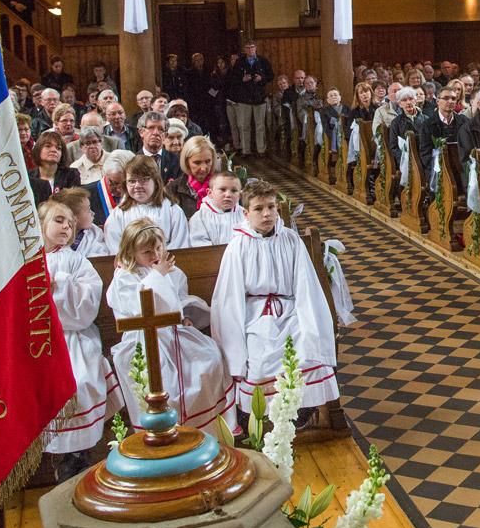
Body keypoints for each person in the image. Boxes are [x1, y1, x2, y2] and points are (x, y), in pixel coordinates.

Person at [211, 179, 339, 420]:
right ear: (246, 213)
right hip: (256, 314)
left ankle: (299, 413)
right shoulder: (238, 246)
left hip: (289, 309)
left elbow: (306, 287)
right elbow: (228, 301)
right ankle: (263, 418)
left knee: (306, 348)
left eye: (271, 207)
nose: (267, 214)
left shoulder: (290, 240)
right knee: (260, 356)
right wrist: (234, 354)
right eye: (259, 209)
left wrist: (313, 329)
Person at [108, 219, 235, 434]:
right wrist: (158, 276)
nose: (156, 255)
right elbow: (141, 306)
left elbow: (178, 300)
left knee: (210, 358)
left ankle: (205, 429)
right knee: (162, 380)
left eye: (159, 247)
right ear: (131, 253)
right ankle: (163, 431)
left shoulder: (172, 271)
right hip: (143, 339)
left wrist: (183, 316)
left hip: (174, 333)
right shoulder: (124, 277)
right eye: (147, 251)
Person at [39, 200, 121, 480]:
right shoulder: (27, 262)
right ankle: (58, 455)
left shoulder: (75, 260)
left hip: (75, 336)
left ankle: (79, 454)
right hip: (40, 340)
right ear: (41, 225)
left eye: (70, 223)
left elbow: (88, 305)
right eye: (59, 220)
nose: (66, 227)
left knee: (81, 379)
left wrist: (60, 284)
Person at [105, 155, 190, 251]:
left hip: (166, 263)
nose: (137, 185)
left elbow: (180, 244)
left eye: (143, 180)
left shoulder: (172, 211)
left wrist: (158, 262)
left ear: (156, 181)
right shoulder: (118, 214)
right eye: (132, 181)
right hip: (131, 265)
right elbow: (115, 247)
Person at [228, 41, 274, 156]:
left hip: (259, 98)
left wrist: (261, 78)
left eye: (252, 47)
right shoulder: (240, 62)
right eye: (247, 48)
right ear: (244, 49)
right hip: (244, 98)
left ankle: (261, 149)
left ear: (255, 48)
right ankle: (245, 150)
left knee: (260, 126)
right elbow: (233, 78)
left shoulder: (262, 61)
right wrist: (242, 79)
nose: (250, 50)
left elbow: (271, 75)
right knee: (244, 126)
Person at [167, 135, 219, 219]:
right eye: (197, 163)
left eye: (207, 161)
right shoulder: (173, 189)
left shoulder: (224, 186)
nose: (203, 168)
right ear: (186, 162)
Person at [189, 171, 244, 247]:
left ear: (239, 196)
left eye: (234, 191)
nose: (228, 195)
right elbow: (199, 244)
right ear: (210, 193)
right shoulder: (200, 217)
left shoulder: (245, 215)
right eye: (222, 189)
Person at [51, 186, 109, 258]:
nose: (93, 213)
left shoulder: (94, 233)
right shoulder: (51, 238)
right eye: (88, 210)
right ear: (73, 218)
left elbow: (101, 257)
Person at [417, 85, 461, 174]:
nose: (450, 101)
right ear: (437, 101)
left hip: (461, 168)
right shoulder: (427, 125)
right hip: (437, 170)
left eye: (453, 98)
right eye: (446, 98)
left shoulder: (464, 122)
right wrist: (438, 169)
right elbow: (425, 154)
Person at [30, 130, 81, 205]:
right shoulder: (28, 177)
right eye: (48, 146)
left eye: (58, 148)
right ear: (38, 150)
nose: (54, 150)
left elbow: (74, 203)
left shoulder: (71, 174)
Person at [138, 110, 182, 183]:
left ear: (165, 135)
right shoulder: (133, 161)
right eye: (151, 128)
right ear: (141, 132)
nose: (156, 133)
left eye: (161, 129)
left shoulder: (177, 161)